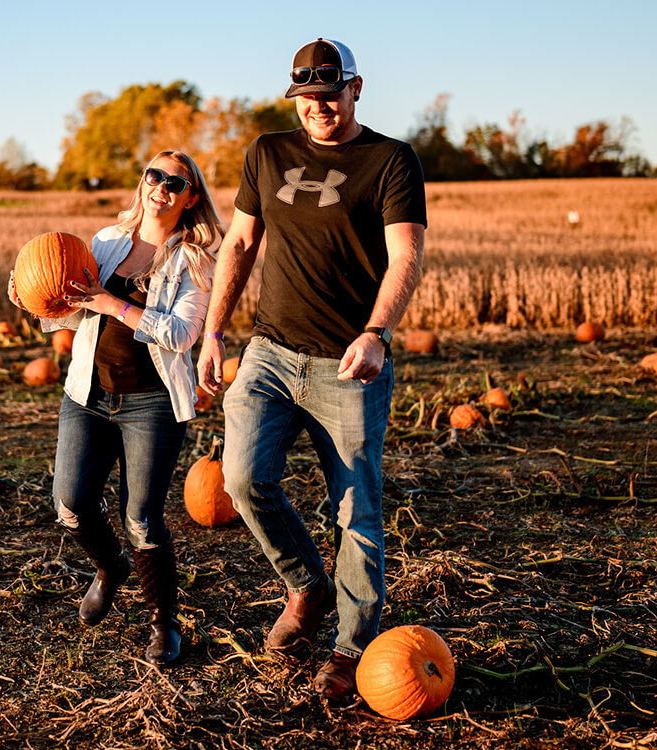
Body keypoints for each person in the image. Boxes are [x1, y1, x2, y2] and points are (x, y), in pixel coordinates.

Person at [196, 38, 427, 703]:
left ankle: (352, 651)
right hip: (270, 353)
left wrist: (377, 333)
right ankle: (306, 586)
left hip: (348, 365)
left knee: (356, 511)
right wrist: (213, 331)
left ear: (356, 88)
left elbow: (406, 256)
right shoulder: (267, 152)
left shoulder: (390, 160)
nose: (318, 108)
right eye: (306, 98)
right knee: (241, 479)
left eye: (330, 95)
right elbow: (241, 242)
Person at [8, 150, 224, 666]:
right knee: (70, 503)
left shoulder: (194, 261)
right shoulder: (106, 242)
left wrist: (115, 304)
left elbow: (181, 335)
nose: (161, 187)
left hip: (153, 405)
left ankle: (164, 621)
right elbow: (74, 311)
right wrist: (33, 300)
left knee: (142, 521)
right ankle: (110, 568)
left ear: (191, 197)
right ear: (142, 182)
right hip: (88, 394)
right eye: (154, 175)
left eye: (176, 182)